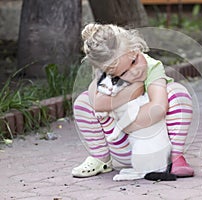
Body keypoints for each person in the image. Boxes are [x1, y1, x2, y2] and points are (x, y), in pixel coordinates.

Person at [72, 23, 194, 178]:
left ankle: (175, 157)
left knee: (177, 92)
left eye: (135, 60)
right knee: (83, 102)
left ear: (137, 48)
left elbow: (159, 107)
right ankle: (101, 157)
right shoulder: (107, 71)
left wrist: (128, 124)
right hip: (123, 146)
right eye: (124, 72)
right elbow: (97, 103)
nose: (135, 70)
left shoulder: (152, 66)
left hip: (153, 144)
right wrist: (136, 87)